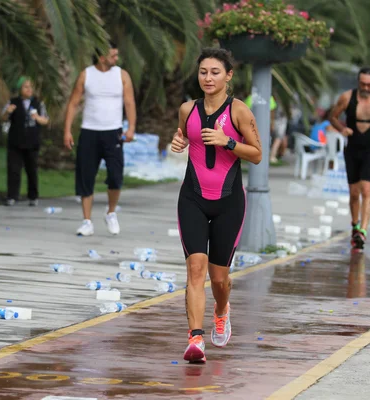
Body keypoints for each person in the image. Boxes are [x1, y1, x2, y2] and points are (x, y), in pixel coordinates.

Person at [170, 48, 262, 363]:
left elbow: (257, 154)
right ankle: (195, 339)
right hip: (192, 198)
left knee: (219, 278)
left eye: (215, 72)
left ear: (228, 76)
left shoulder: (239, 111)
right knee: (195, 269)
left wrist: (228, 142)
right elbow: (183, 137)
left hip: (229, 202)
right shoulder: (187, 109)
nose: (208, 78)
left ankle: (221, 310)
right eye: (203, 72)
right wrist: (177, 142)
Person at [63, 42, 136, 236]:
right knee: (86, 176)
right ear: (102, 57)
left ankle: (111, 212)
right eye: (113, 55)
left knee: (115, 175)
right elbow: (73, 103)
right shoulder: (86, 75)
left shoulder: (122, 75)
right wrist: (67, 131)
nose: (116, 59)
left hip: (113, 132)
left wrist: (131, 129)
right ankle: (86, 221)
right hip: (89, 132)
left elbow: (129, 102)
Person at [329, 67, 370, 251]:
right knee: (354, 192)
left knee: (366, 190)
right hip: (352, 148)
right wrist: (342, 129)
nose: (366, 87)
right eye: (363, 84)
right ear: (358, 82)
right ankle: (355, 224)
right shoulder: (347, 97)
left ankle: (363, 231)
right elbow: (333, 116)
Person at [2, 77, 49, 206]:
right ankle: (12, 196)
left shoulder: (38, 103)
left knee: (32, 170)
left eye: (30, 87)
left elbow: (45, 120)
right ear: (20, 89)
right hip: (15, 141)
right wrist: (7, 112)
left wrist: (37, 117)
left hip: (32, 142)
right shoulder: (13, 102)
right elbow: (4, 118)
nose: (29, 90)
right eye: (26, 87)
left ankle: (33, 196)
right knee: (13, 170)